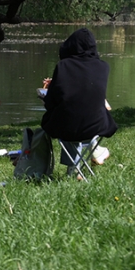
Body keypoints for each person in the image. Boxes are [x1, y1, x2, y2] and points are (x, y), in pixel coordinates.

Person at [41, 28, 117, 172]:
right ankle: (93, 152)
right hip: (97, 124)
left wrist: (50, 92)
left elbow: (51, 101)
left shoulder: (63, 66)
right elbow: (89, 90)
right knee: (76, 111)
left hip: (66, 126)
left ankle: (74, 167)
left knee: (66, 114)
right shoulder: (103, 66)